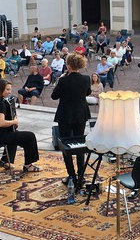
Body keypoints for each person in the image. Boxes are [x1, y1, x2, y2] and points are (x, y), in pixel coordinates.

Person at [0, 79, 40, 172]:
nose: (10, 92)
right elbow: (1, 123)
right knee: (30, 136)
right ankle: (28, 165)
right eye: (7, 90)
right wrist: (14, 121)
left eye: (10, 90)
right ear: (0, 89)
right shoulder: (1, 103)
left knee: (14, 134)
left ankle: (5, 161)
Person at [51, 53, 91, 189]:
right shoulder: (86, 79)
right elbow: (88, 93)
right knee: (80, 145)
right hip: (81, 114)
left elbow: (54, 96)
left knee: (66, 146)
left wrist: (60, 80)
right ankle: (81, 175)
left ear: (68, 66)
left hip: (65, 115)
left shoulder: (63, 80)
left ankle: (72, 176)